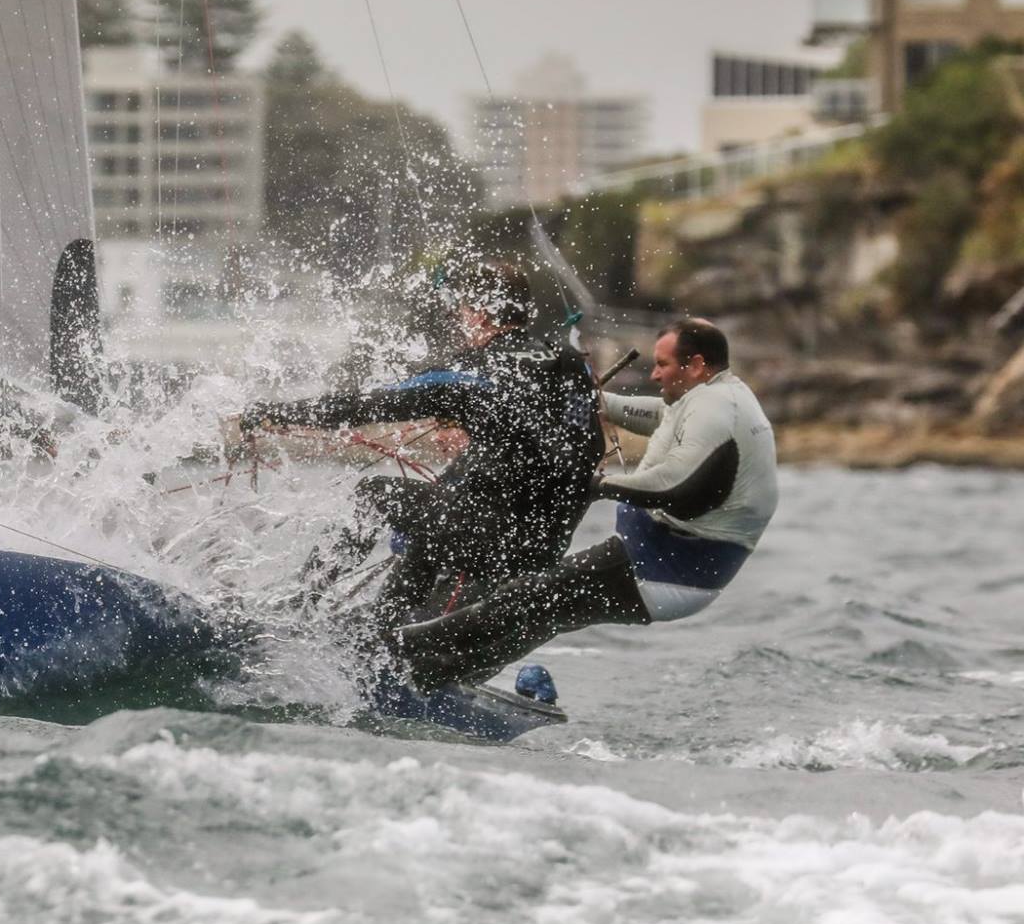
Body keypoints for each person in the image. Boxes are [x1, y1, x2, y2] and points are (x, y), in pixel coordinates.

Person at [396, 316, 779, 689]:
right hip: (675, 566)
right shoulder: (717, 396)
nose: (654, 374)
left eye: (662, 364)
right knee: (544, 613)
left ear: (696, 364)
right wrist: (588, 398)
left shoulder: (714, 409)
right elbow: (658, 416)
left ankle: (402, 647)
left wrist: (593, 483)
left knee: (528, 595)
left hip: (666, 568)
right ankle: (442, 675)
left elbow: (670, 484)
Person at [236, 260, 606, 619]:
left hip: (494, 539)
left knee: (373, 496)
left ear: (478, 313)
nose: (461, 322)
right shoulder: (572, 364)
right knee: (435, 518)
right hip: (548, 543)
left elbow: (364, 405)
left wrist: (277, 413)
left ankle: (299, 604)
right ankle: (388, 626)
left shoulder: (467, 373)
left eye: (462, 311)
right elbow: (579, 448)